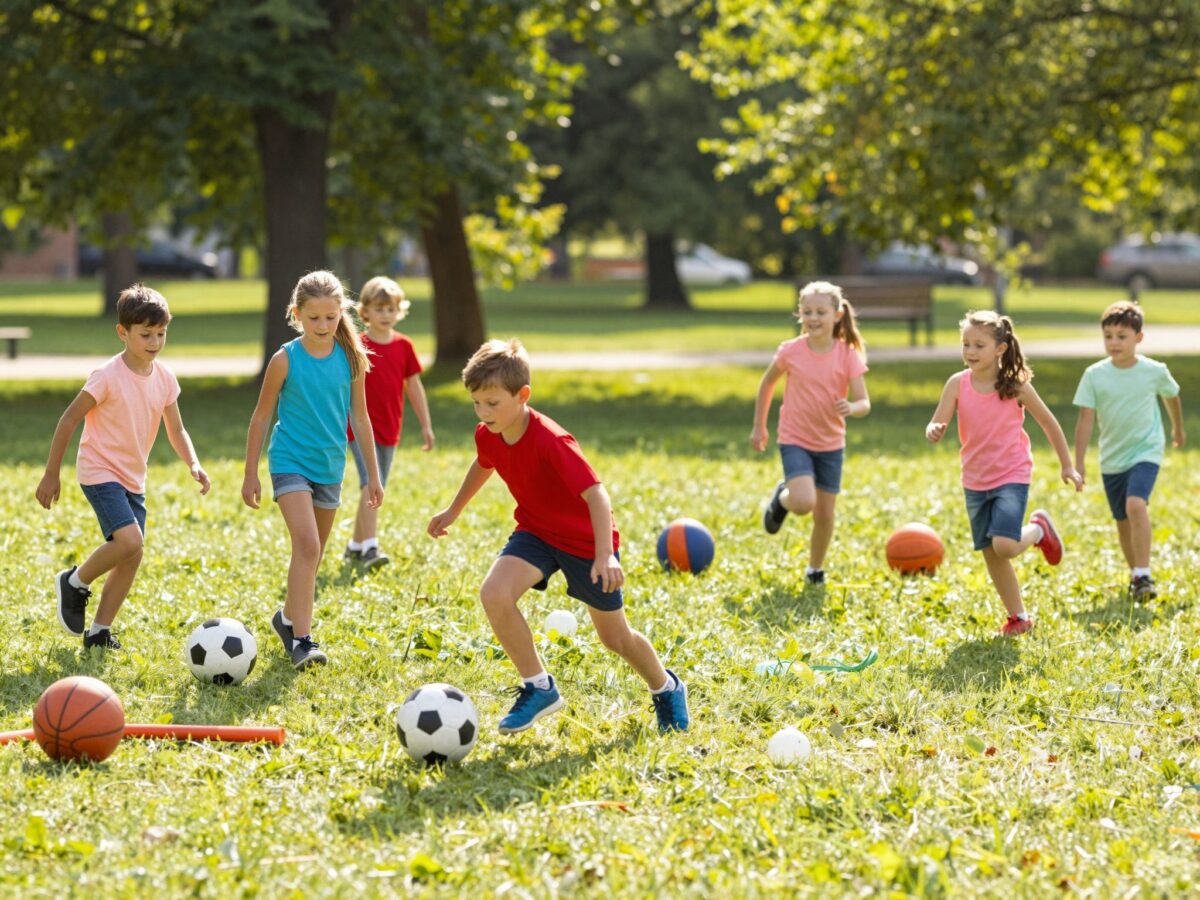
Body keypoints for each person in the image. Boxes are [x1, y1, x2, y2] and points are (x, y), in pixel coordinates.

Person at [426, 338, 689, 734]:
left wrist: (606, 556)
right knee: (494, 594)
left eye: (492, 403)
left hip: (586, 543)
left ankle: (666, 687)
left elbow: (597, 495)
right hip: (535, 531)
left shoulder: (552, 440)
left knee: (614, 638)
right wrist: (453, 509)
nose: (483, 412)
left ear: (523, 395)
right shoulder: (489, 432)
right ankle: (539, 686)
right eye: (476, 402)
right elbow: (485, 464)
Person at [36, 284, 210, 650]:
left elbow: (176, 428)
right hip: (99, 471)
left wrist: (192, 462)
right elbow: (68, 421)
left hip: (133, 476)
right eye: (145, 334)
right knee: (129, 540)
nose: (154, 342)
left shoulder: (164, 377)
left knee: (132, 553)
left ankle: (99, 631)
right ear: (123, 332)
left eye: (161, 333)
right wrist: (52, 473)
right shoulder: (107, 375)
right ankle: (74, 581)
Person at [242, 270, 382, 670]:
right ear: (297, 314)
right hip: (290, 461)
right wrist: (251, 473)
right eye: (314, 318)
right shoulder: (285, 359)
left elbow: (361, 416)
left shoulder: (351, 358)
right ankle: (303, 640)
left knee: (313, 554)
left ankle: (287, 620)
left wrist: (372, 474)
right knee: (307, 546)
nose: (323, 326)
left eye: (331, 317)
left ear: (342, 314)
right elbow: (261, 417)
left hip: (330, 466)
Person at [926, 310, 1083, 636]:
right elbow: (938, 418)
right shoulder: (957, 383)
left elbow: (1049, 423)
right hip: (974, 479)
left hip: (1012, 474)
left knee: (1005, 546)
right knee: (990, 550)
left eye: (978, 345)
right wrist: (935, 428)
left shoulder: (1015, 387)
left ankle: (1039, 530)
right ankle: (1019, 616)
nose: (970, 351)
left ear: (999, 348)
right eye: (965, 344)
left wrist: (1067, 465)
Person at [750, 281, 871, 585]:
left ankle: (814, 570)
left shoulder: (848, 355)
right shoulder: (791, 351)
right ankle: (783, 499)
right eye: (806, 312)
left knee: (825, 515)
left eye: (820, 311)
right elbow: (767, 385)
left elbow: (864, 402)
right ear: (799, 314)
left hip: (831, 443)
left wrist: (852, 408)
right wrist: (759, 426)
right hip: (795, 438)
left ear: (837, 314)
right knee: (804, 503)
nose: (813, 318)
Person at [1073, 301, 1184, 601]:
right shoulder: (1094, 375)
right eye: (1108, 336)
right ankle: (1137, 576)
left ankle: (1142, 572)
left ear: (1139, 338)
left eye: (1122, 336)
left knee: (1136, 505)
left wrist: (1177, 429)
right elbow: (1085, 421)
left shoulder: (1154, 371)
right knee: (1122, 520)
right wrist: (1078, 463)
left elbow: (1172, 396)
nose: (1114, 342)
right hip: (1112, 458)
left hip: (1146, 450)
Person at [343, 276, 434, 569]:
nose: (385, 315)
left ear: (399, 310)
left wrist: (426, 425)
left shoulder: (405, 346)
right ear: (364, 311)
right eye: (378, 309)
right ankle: (371, 547)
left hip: (389, 428)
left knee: (374, 486)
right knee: (372, 484)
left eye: (390, 309)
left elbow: (415, 387)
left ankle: (355, 546)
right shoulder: (358, 345)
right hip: (358, 427)